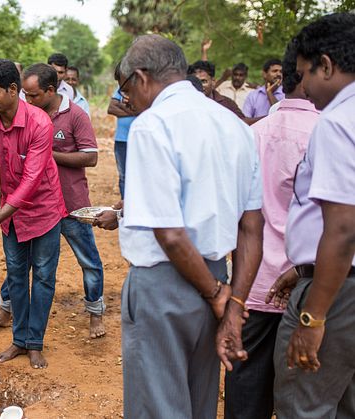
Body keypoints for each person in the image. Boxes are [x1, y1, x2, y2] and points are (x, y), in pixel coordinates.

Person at [115, 35, 263, 418]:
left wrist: (218, 294)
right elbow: (251, 228)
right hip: (216, 278)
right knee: (199, 403)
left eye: (127, 89)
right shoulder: (236, 128)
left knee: (159, 406)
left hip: (165, 286)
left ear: (141, 77)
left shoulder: (153, 125)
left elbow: (170, 233)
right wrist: (234, 302)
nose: (128, 99)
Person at [264, 13, 355, 418]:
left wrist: (313, 316)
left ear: (327, 65)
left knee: (305, 406)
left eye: (305, 75)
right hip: (337, 278)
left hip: (337, 295)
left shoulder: (337, 122)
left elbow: (343, 227)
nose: (303, 88)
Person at [222, 43, 320, 419]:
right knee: (304, 392)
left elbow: (235, 209)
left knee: (246, 383)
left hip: (255, 280)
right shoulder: (329, 133)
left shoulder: (253, 134)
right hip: (309, 281)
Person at [0, 63, 104, 339]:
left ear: (51, 90)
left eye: (34, 95)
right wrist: (1, 189)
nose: (28, 100)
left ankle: (95, 314)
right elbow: (12, 158)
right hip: (34, 204)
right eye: (25, 94)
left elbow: (91, 156)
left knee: (88, 260)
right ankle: (7, 308)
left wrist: (46, 155)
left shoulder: (76, 115)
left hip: (72, 203)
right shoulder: (25, 116)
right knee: (20, 263)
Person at [0, 59, 68, 369]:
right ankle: (19, 340)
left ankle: (35, 342)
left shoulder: (39, 123)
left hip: (45, 209)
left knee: (45, 278)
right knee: (17, 277)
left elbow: (31, 181)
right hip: (12, 215)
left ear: (13, 90)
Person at [107, 61, 138, 198]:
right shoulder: (121, 88)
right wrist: (134, 111)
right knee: (124, 175)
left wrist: (130, 106)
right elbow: (111, 108)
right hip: (122, 139)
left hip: (138, 140)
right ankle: (125, 205)